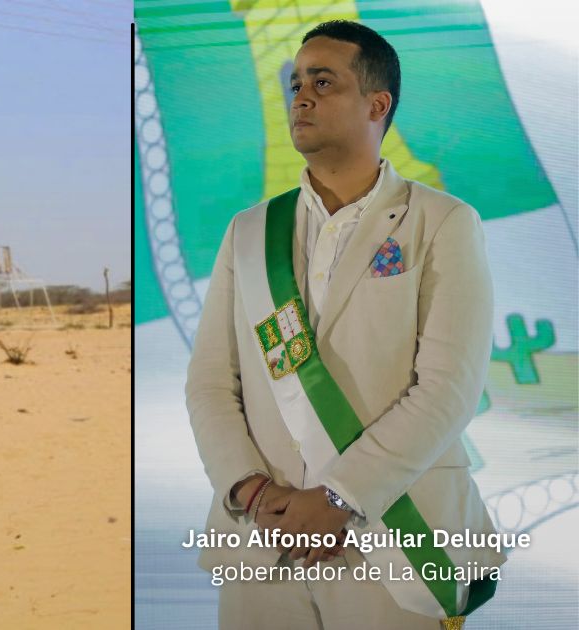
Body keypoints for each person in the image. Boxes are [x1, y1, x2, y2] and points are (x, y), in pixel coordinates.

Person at [185, 20, 505, 629]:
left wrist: (338, 498)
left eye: (323, 82)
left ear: (376, 105)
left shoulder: (441, 221)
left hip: (394, 531)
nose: (300, 96)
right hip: (264, 536)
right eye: (297, 83)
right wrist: (254, 495)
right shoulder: (249, 232)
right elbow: (208, 383)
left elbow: (448, 389)